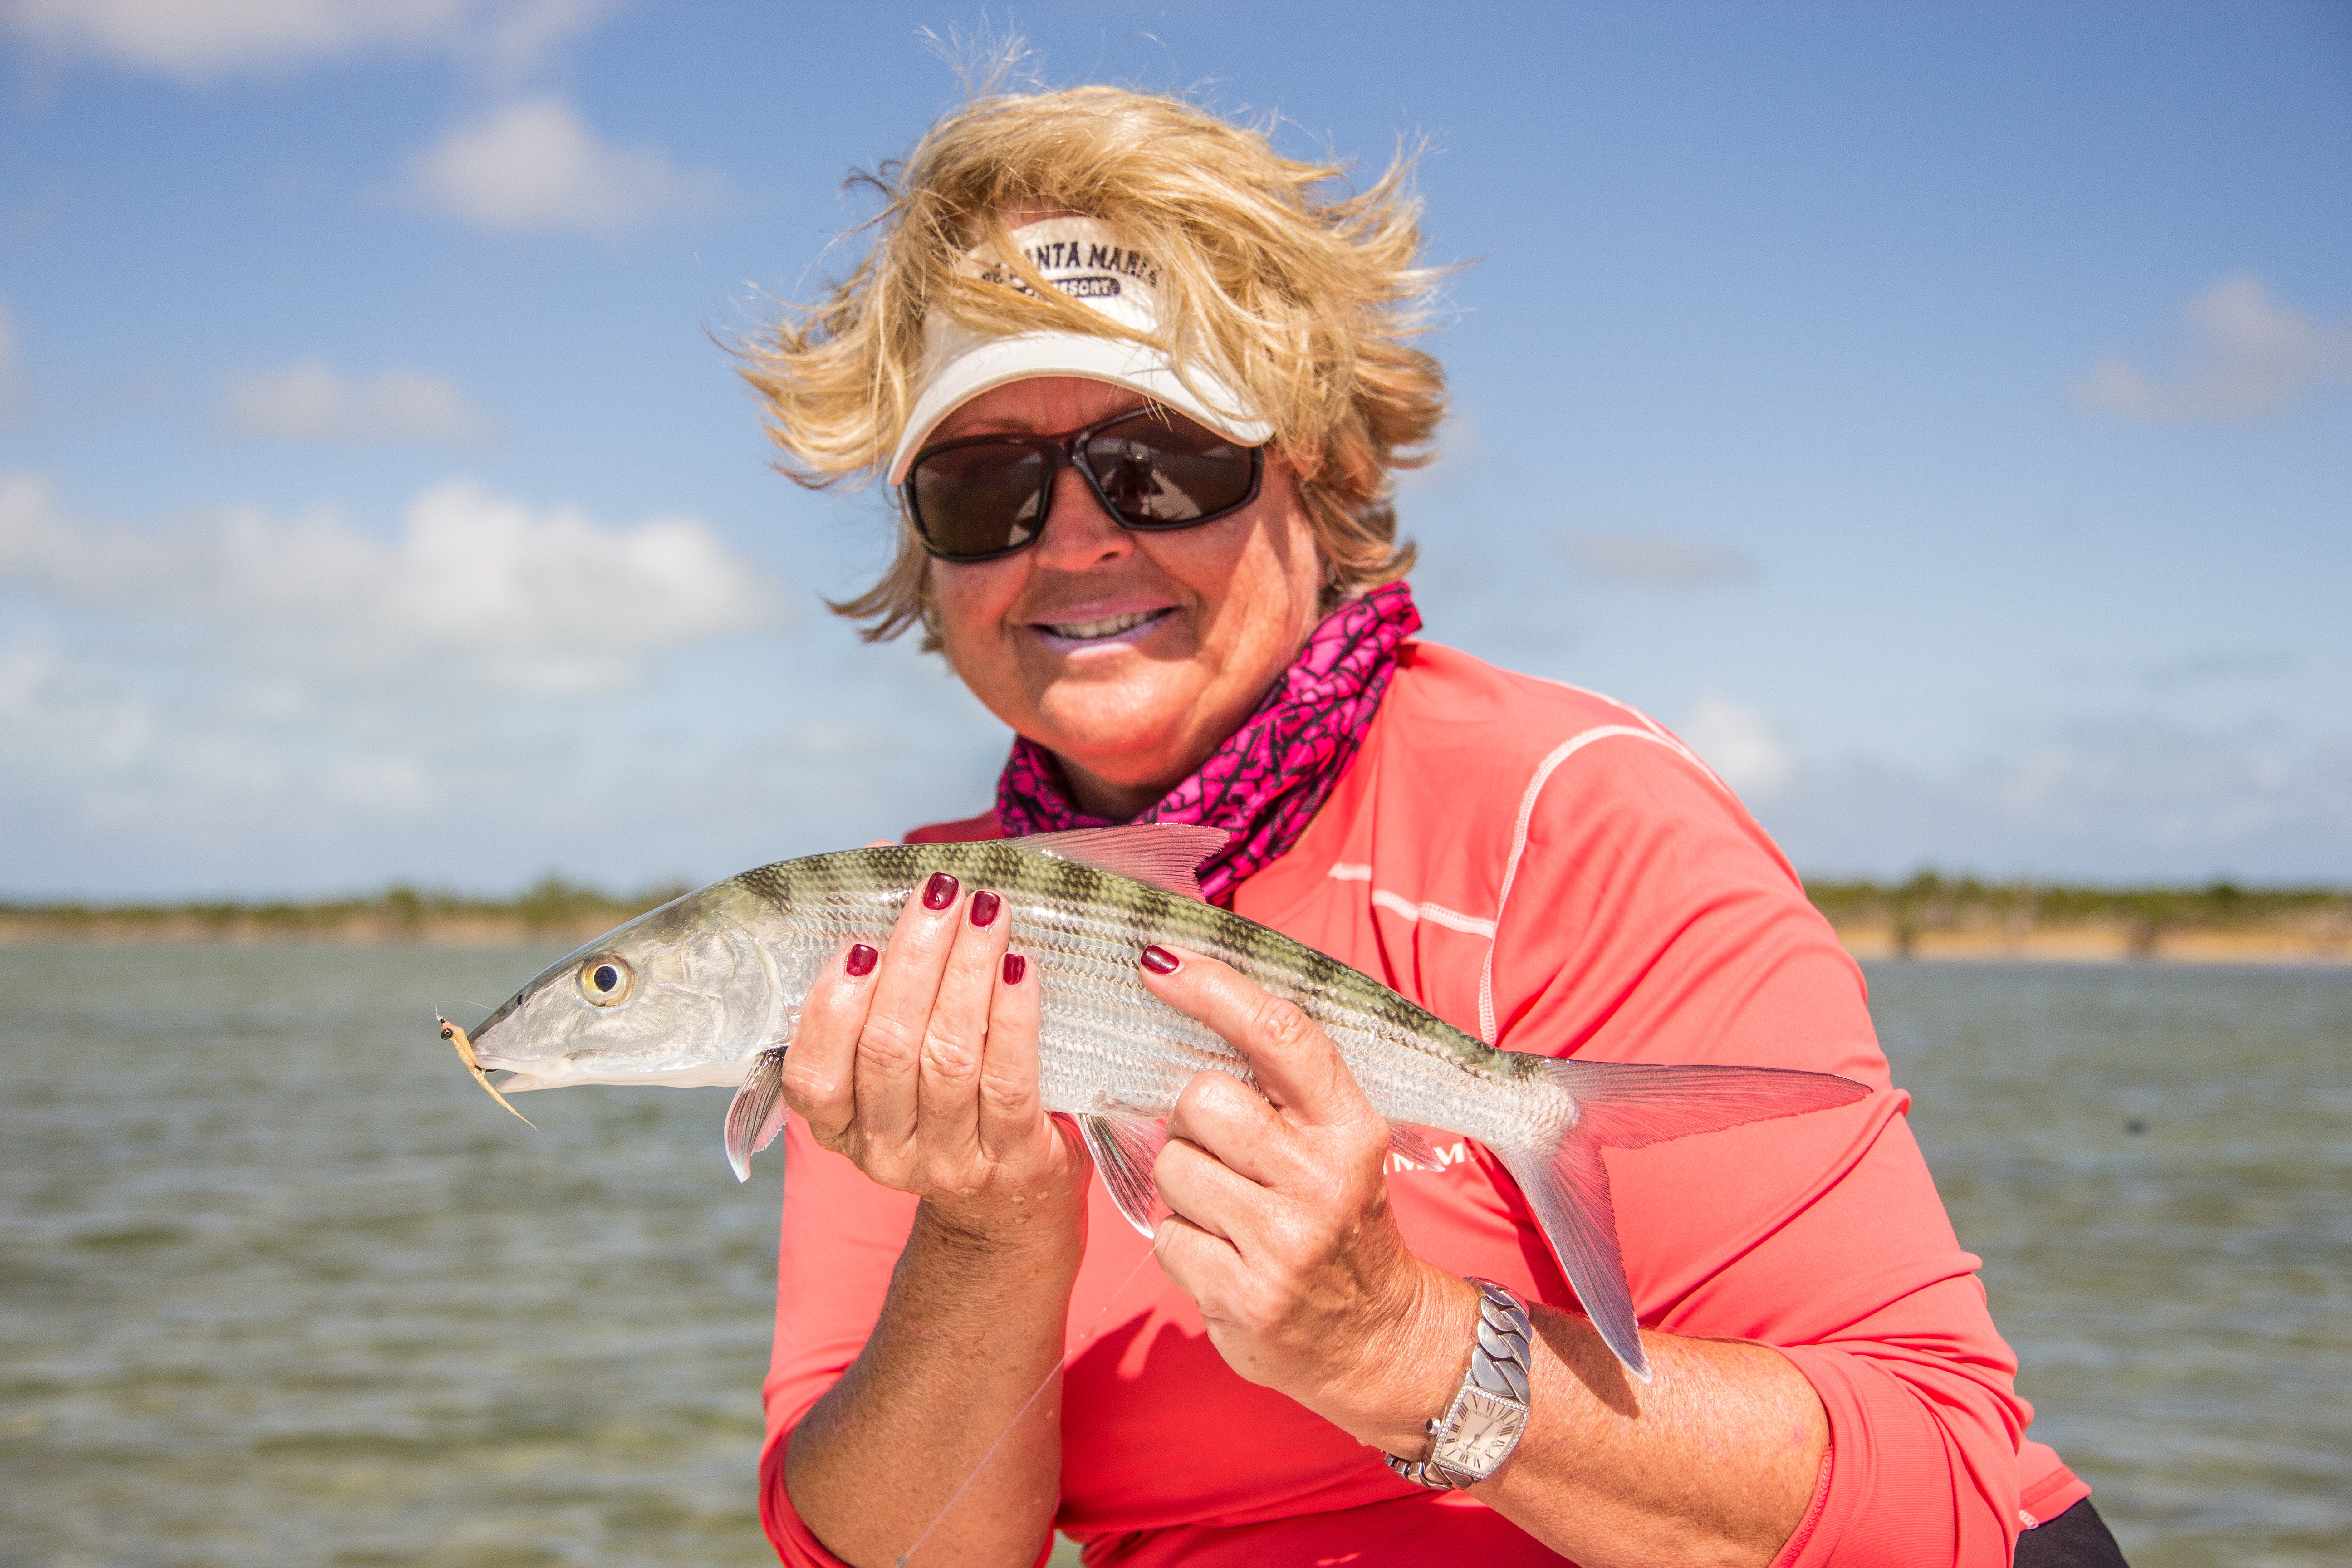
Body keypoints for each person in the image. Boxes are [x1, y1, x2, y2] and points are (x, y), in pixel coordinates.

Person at [740, 85, 2125, 1568]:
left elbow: (1945, 1499)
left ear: (1321, 465)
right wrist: (984, 1237)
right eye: (984, 486)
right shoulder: (915, 941)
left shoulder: (1567, 819)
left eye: (1162, 459)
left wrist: (1404, 1346)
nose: (1079, 537)